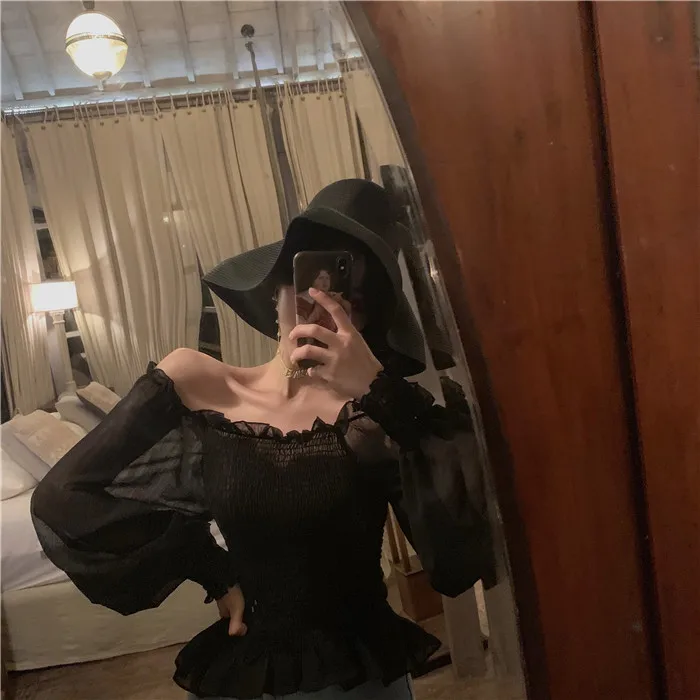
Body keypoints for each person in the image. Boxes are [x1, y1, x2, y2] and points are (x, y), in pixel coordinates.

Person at [31, 179, 495, 700]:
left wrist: (378, 388)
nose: (325, 307)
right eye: (313, 283)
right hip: (252, 670)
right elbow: (64, 498)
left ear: (365, 324)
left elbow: (470, 544)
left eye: (351, 299)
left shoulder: (375, 415)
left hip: (361, 677)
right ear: (276, 291)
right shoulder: (197, 383)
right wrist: (212, 570)